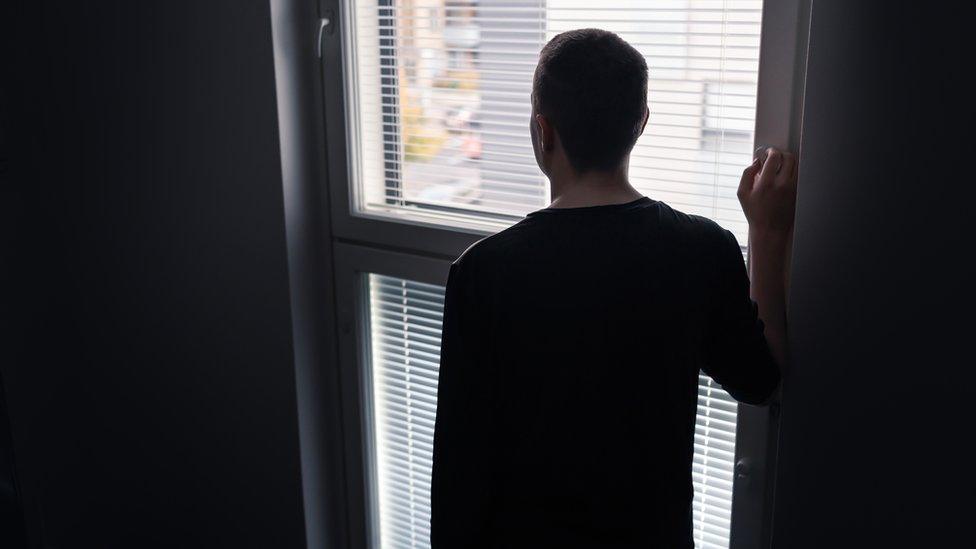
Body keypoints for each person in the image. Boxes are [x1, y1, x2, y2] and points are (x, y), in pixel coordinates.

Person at [430, 28, 796, 548]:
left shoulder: (482, 272)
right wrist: (769, 231)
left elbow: (458, 479)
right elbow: (763, 381)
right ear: (640, 124)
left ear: (543, 131)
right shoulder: (701, 251)